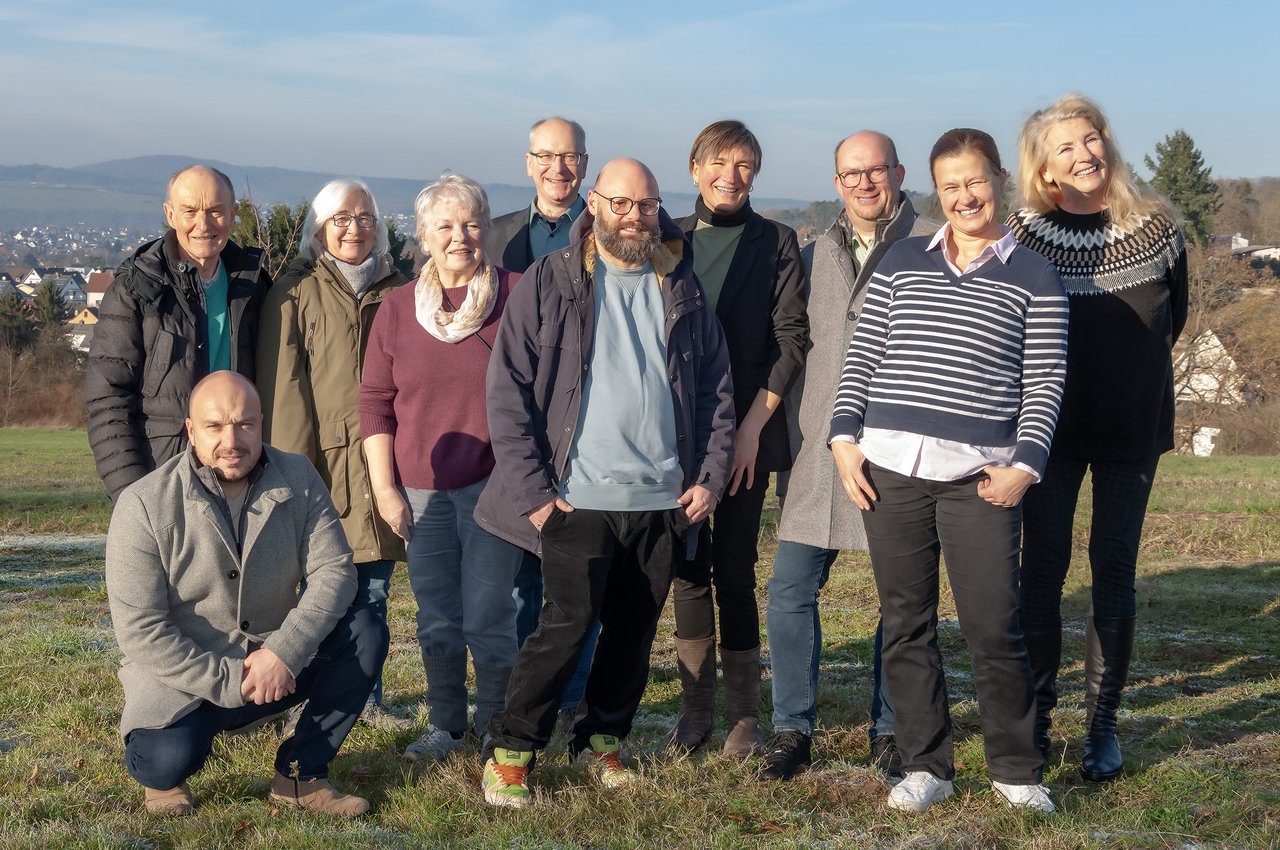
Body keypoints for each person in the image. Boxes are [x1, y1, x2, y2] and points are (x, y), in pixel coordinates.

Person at [474, 158, 735, 808]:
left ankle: (600, 742)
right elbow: (507, 393)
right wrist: (535, 495)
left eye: (646, 205)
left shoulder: (680, 283)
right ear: (594, 204)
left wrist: (709, 478)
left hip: (661, 499)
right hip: (575, 497)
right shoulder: (550, 280)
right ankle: (510, 753)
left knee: (632, 633)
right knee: (565, 627)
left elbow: (716, 389)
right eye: (620, 203)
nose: (634, 217)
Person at [830, 128, 1068, 814]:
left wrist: (1025, 466)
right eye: (950, 185)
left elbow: (1045, 383)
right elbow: (862, 356)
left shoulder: (1035, 275)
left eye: (975, 181)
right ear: (935, 190)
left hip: (979, 480)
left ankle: (1016, 770)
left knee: (993, 624)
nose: (964, 196)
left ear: (999, 181)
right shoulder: (904, 258)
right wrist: (844, 438)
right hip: (891, 470)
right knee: (906, 622)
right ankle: (925, 765)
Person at [1008, 93, 1188, 782]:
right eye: (1066, 147)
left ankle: (1102, 725)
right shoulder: (1022, 234)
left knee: (1114, 567)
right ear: (1044, 167)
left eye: (1091, 139)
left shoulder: (1159, 226)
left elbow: (1172, 319)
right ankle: (1037, 721)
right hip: (1047, 431)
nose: (1085, 154)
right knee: (1043, 569)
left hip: (1132, 429)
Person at [105, 371, 381, 818]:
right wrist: (232, 681)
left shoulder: (299, 476)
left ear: (261, 423)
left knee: (365, 629)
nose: (231, 441)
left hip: (275, 662)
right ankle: (164, 778)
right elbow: (141, 630)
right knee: (162, 760)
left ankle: (300, 773)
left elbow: (335, 571)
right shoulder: (142, 504)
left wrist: (283, 651)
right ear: (191, 430)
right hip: (184, 680)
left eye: (245, 424)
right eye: (215, 426)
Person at [762, 130, 937, 781]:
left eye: (876, 170)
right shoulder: (810, 256)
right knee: (789, 590)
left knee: (902, 599)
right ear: (837, 182)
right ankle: (792, 730)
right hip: (816, 452)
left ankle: (891, 730)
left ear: (899, 172)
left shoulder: (936, 245)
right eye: (851, 173)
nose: (865, 183)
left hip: (902, 452)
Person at [360, 174, 524, 763]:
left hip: (495, 488)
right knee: (436, 619)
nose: (460, 237)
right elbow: (375, 403)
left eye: (472, 224)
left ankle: (498, 728)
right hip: (420, 490)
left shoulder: (517, 296)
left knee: (490, 616)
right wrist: (385, 489)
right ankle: (446, 727)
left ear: (487, 229)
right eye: (445, 226)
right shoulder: (397, 309)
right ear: (424, 236)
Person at [668, 120, 806, 756]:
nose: (731, 176)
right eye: (719, 163)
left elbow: (790, 340)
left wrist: (751, 429)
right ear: (695, 168)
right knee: (687, 570)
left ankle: (745, 715)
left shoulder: (776, 241)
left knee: (734, 567)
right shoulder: (667, 240)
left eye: (744, 164)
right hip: (675, 437)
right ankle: (695, 710)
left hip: (748, 434)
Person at [256, 178, 410, 731]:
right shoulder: (295, 292)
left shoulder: (401, 290)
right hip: (322, 470)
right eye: (340, 218)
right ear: (318, 228)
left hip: (383, 467)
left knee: (373, 592)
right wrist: (293, 480)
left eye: (365, 217)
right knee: (316, 594)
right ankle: (303, 699)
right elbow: (284, 394)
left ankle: (366, 698)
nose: (354, 228)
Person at [485, 117, 599, 720]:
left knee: (579, 582)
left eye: (571, 157)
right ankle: (526, 699)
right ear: (528, 163)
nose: (559, 168)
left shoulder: (608, 231)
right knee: (519, 582)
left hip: (586, 433)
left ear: (586, 164)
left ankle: (574, 699)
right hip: (515, 433)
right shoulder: (496, 237)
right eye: (547, 156)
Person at [87, 165, 269, 500]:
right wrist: (132, 497)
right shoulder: (136, 289)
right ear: (170, 215)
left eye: (215, 211)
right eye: (190, 211)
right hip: (163, 478)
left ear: (233, 214)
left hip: (245, 480)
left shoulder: (254, 285)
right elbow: (109, 400)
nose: (204, 224)